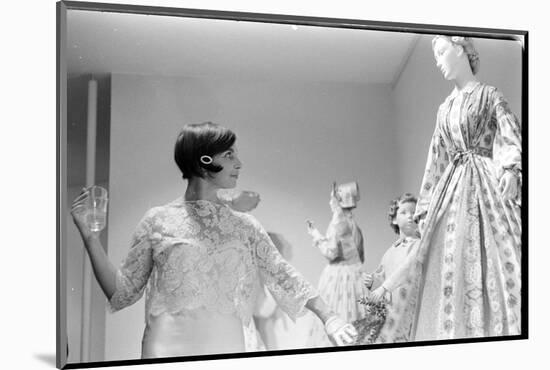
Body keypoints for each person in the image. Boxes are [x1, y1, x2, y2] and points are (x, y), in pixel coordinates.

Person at [70, 122, 357, 358]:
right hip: (166, 348)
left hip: (226, 347)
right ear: (204, 159)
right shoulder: (157, 220)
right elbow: (122, 292)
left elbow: (283, 274)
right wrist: (89, 236)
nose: (239, 163)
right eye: (229, 155)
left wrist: (329, 317)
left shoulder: (244, 226)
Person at [374, 36, 522, 343]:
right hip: (452, 191)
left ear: (461, 48)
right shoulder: (444, 110)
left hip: (487, 182)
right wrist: (426, 206)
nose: (439, 60)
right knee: (449, 264)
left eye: (442, 52)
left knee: (495, 254)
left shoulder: (489, 94)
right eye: (436, 55)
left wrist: (511, 168)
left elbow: (508, 132)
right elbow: (436, 160)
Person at [305, 182, 368, 347]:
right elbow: (360, 255)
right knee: (355, 318)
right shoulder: (354, 225)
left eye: (333, 198)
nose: (330, 201)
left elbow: (331, 253)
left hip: (337, 276)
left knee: (335, 320)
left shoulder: (337, 223)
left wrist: (316, 237)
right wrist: (317, 234)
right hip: (355, 275)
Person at [363, 193, 420, 304]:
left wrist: (383, 288)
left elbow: (406, 268)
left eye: (413, 212)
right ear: (394, 219)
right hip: (395, 309)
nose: (410, 216)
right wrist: (372, 282)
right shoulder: (391, 252)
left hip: (414, 305)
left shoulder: (418, 244)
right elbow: (382, 277)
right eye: (404, 212)